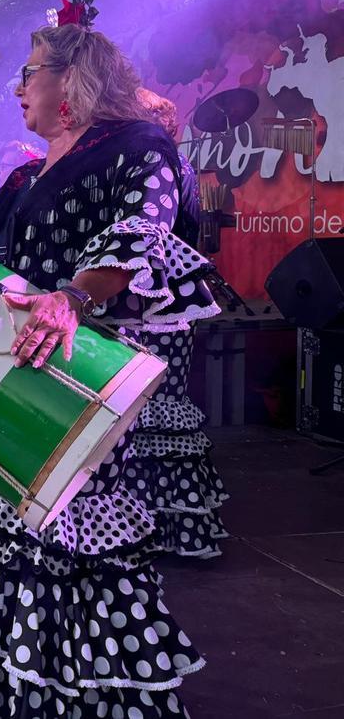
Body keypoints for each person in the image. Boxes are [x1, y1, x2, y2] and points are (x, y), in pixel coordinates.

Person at [0, 1, 218, 716]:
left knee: (71, 526)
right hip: (16, 369)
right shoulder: (23, 181)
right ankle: (29, 693)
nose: (18, 88)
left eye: (28, 74)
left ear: (72, 77)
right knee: (21, 526)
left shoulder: (138, 146)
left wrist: (71, 300)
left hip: (88, 367)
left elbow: (137, 232)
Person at [124, 88, 229, 558]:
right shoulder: (160, 168)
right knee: (146, 412)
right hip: (151, 302)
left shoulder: (170, 170)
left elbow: (169, 236)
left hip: (164, 304)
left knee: (160, 409)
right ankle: (156, 524)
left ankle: (170, 527)